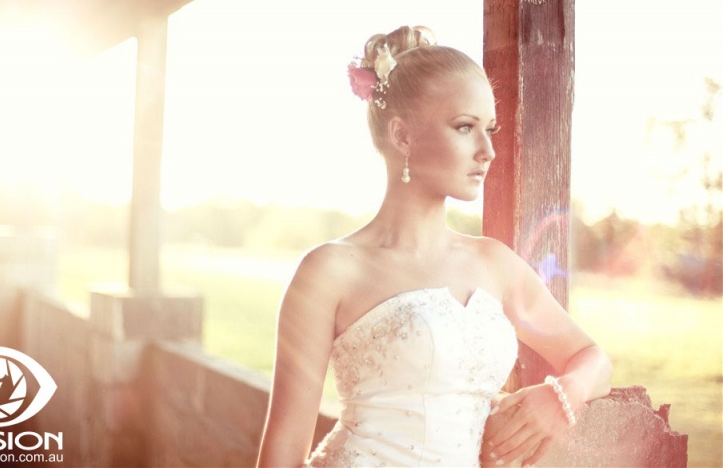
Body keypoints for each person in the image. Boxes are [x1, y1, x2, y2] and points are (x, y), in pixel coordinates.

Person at [257, 25, 612, 467]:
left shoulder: (494, 264)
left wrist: (561, 397)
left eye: (490, 129)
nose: (487, 151)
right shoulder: (329, 271)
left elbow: (592, 358)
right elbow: (283, 451)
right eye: (465, 127)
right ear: (403, 136)